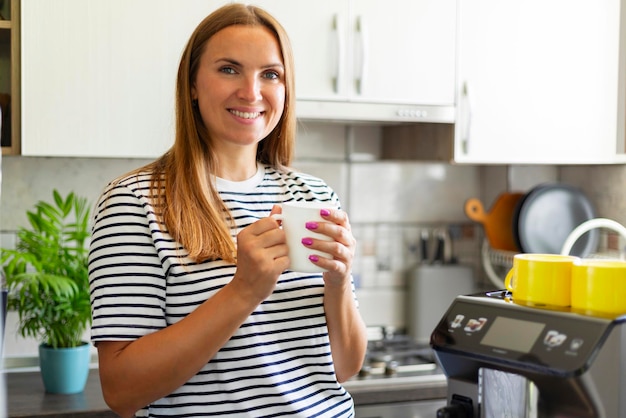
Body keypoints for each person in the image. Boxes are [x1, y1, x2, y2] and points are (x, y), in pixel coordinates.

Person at [88, 4, 367, 418]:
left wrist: (339, 284)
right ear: (193, 84)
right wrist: (243, 291)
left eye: (270, 74)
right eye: (229, 69)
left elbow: (345, 368)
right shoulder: (134, 201)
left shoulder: (312, 195)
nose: (252, 92)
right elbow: (122, 390)